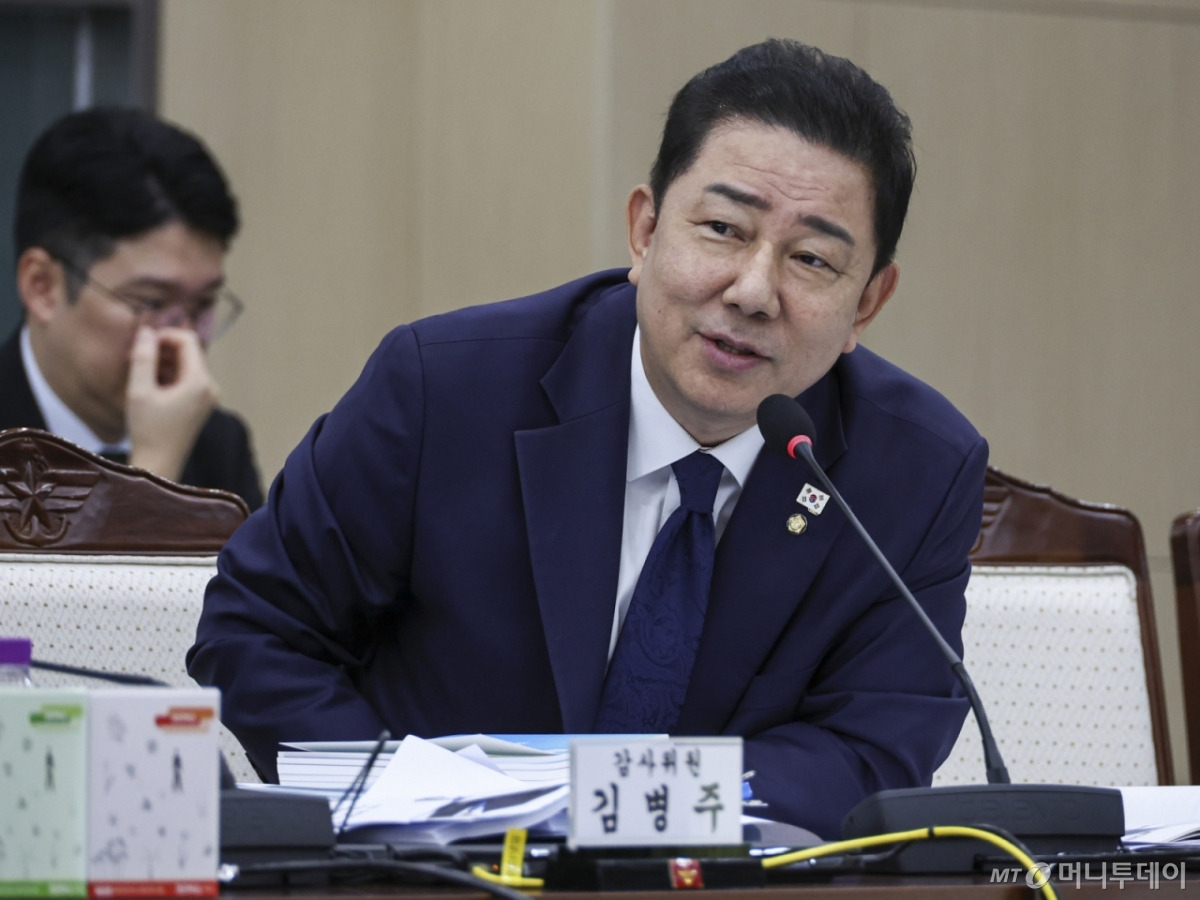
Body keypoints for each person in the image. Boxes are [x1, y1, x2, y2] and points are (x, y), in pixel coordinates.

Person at [189, 39, 988, 839]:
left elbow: (870, 749)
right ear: (644, 231)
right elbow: (260, 629)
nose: (752, 292)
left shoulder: (916, 472)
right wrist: (406, 810)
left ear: (867, 302)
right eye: (722, 228)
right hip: (432, 873)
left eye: (811, 259)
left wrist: (612, 809)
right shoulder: (446, 390)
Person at [1, 106, 263, 510]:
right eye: (151, 302)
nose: (182, 339)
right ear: (43, 287)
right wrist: (155, 471)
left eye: (202, 304)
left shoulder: (216, 446)